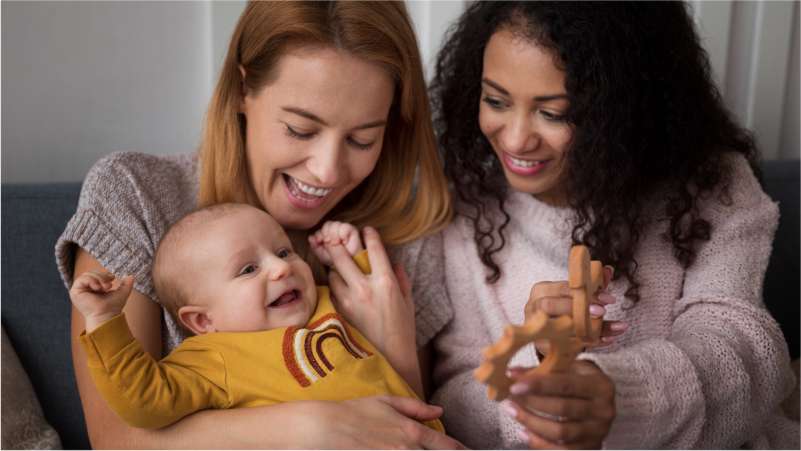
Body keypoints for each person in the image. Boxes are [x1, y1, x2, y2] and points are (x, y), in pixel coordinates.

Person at [55, 2, 461, 448]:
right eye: (301, 130)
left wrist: (398, 349)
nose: (327, 171)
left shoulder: (400, 231)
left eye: (362, 138)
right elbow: (118, 439)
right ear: (241, 90)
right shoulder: (136, 195)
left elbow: (412, 434)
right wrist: (312, 427)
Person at [407, 1, 800, 448]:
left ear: (623, 109)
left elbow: (749, 356)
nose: (515, 138)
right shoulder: (464, 204)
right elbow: (451, 403)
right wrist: (537, 365)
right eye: (495, 100)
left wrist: (616, 397)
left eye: (554, 113)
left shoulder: (712, 186)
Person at [69, 203, 443, 432]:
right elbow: (143, 401)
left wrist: (347, 253)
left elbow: (371, 304)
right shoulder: (213, 358)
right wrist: (105, 321)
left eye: (283, 251)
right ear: (202, 321)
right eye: (248, 269)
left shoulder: (326, 305)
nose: (280, 269)